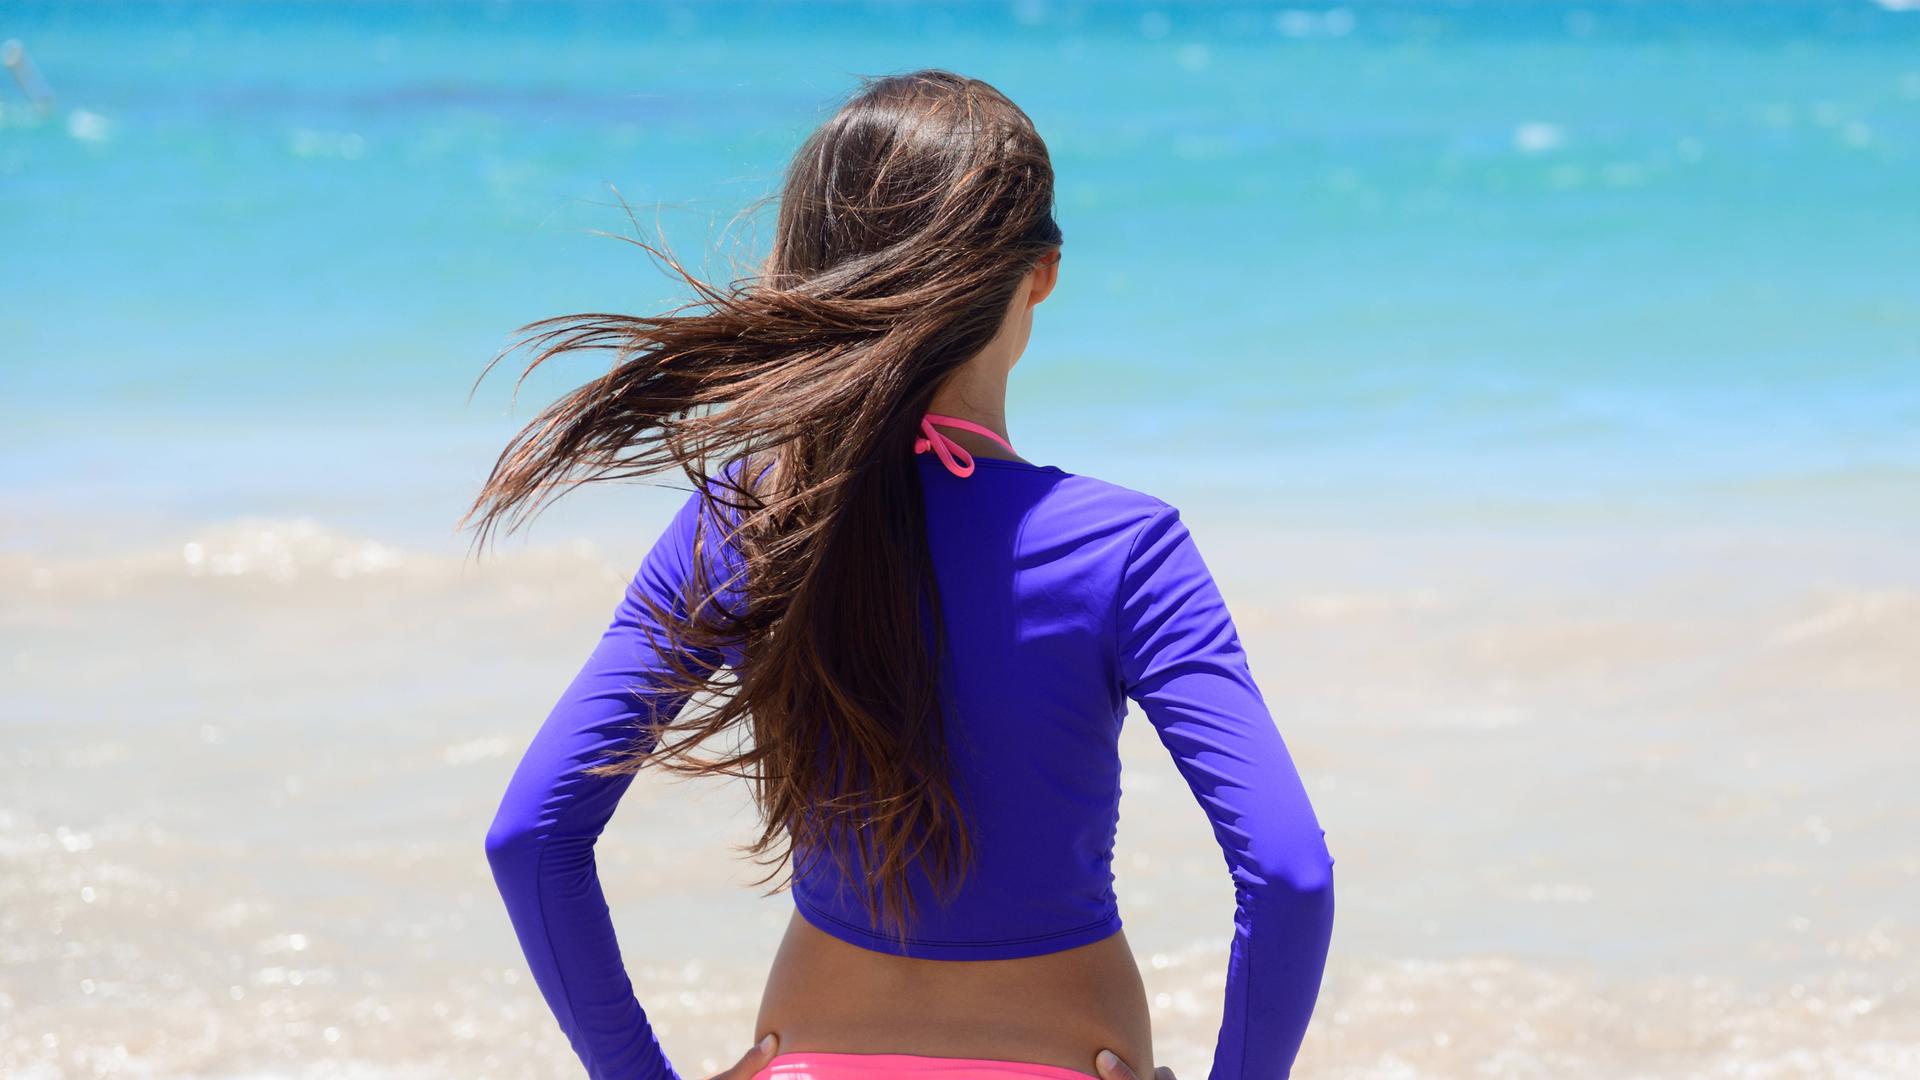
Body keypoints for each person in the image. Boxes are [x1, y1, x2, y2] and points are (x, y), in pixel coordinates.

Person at [466, 69, 1334, 1080]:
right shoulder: (1123, 547)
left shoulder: (747, 521)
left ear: (799, 273)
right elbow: (1288, 875)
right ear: (1041, 273)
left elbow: (531, 836)